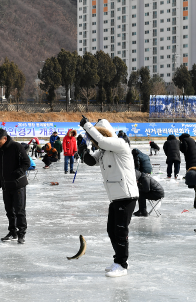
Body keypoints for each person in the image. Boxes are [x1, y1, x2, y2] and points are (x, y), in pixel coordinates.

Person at [78, 117, 139, 278]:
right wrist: (82, 148)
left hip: (126, 195)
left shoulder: (119, 144)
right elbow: (91, 161)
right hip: (115, 197)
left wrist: (86, 126)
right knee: (111, 230)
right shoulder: (104, 151)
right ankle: (119, 259)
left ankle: (122, 264)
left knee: (120, 231)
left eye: (96, 136)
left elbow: (102, 140)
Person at [0, 129, 30, 244]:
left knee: (19, 210)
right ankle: (12, 232)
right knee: (9, 211)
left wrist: (18, 172)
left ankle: (21, 233)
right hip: (6, 185)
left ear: (5, 138)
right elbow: (0, 167)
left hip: (18, 184)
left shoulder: (16, 147)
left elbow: (26, 162)